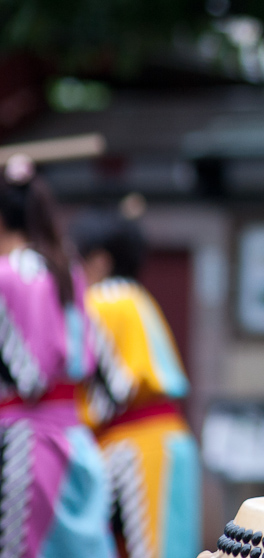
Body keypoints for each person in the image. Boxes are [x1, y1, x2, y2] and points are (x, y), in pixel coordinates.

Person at [0, 154, 115, 558]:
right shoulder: (68, 271)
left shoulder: (5, 274)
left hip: (23, 445)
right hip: (77, 441)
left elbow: (26, 377)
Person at [72, 205, 201, 558]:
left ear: (99, 261)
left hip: (134, 447)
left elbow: (96, 392)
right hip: (163, 440)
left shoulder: (103, 300)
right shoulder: (134, 296)